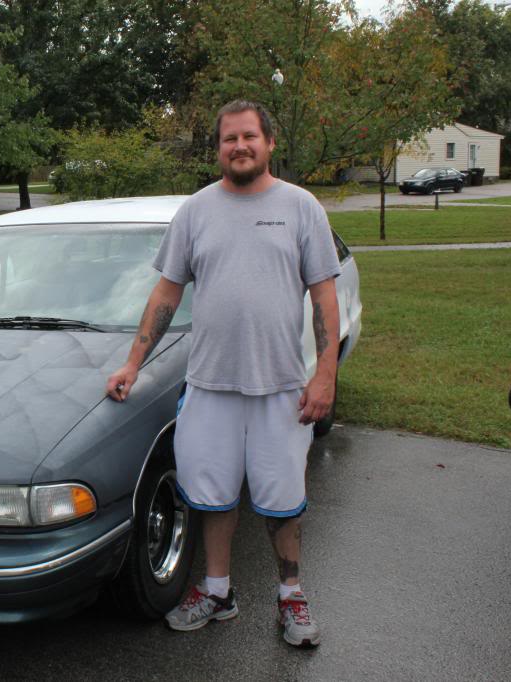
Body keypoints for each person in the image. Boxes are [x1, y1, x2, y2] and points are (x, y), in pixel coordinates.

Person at [105, 100, 341, 648]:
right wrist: (132, 362)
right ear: (218, 148)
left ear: (269, 142)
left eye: (249, 137)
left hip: (280, 387)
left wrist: (324, 375)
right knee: (211, 497)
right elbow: (167, 291)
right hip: (210, 385)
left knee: (282, 501)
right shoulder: (196, 211)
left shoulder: (302, 208)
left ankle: (291, 597)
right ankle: (217, 592)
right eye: (229, 138)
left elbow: (325, 297)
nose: (239, 146)